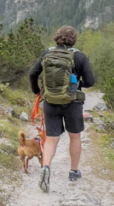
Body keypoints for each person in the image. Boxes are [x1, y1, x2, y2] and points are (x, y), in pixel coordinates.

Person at [29, 25, 95, 193]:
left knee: (51, 138)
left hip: (50, 101)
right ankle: (73, 172)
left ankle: (46, 167)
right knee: (75, 136)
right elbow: (90, 81)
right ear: (74, 39)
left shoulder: (47, 54)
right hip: (72, 103)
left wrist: (38, 92)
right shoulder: (79, 56)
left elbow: (32, 73)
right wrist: (78, 83)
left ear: (56, 38)